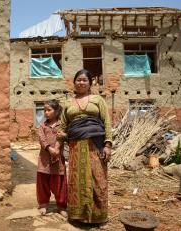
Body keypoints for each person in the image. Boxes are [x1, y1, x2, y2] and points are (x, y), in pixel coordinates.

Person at [58, 69, 112, 227]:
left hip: (96, 144)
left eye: (84, 80)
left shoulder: (98, 100)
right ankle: (78, 216)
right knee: (77, 180)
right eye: (78, 80)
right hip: (75, 147)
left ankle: (98, 216)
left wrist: (108, 144)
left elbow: (106, 122)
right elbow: (63, 126)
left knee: (98, 179)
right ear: (74, 83)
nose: (81, 82)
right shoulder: (68, 102)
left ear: (90, 83)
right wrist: (59, 140)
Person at [37, 100, 68, 217]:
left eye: (49, 110)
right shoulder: (42, 126)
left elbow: (62, 137)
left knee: (59, 183)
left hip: (58, 159)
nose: (46, 112)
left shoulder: (62, 125)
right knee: (43, 182)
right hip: (44, 159)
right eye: (44, 110)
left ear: (56, 111)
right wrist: (50, 149)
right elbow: (42, 139)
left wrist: (57, 150)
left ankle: (61, 206)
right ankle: (43, 204)